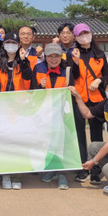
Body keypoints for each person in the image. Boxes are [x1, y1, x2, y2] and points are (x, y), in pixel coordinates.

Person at [32, 43, 80, 190]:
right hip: (44, 113)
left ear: (61, 57)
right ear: (45, 57)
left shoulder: (67, 70)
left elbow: (69, 92)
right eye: (50, 56)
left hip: (62, 113)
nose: (53, 59)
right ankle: (51, 169)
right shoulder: (38, 68)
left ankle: (62, 174)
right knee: (49, 142)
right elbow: (33, 92)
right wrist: (40, 86)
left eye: (56, 56)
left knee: (62, 143)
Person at [0, 32, 32, 190]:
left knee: (19, 141)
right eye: (7, 42)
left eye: (13, 42)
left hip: (20, 106)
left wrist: (23, 60)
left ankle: (17, 175)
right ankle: (5, 173)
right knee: (4, 140)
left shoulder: (23, 61)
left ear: (18, 45)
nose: (10, 45)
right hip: (3, 106)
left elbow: (28, 78)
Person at [70, 23, 108, 184]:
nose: (84, 36)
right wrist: (77, 60)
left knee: (96, 136)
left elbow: (107, 75)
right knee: (79, 135)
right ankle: (82, 167)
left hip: (96, 100)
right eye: (80, 34)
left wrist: (99, 80)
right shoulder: (72, 53)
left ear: (91, 34)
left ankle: (95, 169)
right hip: (79, 99)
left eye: (86, 33)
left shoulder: (100, 54)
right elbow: (73, 75)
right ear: (76, 37)